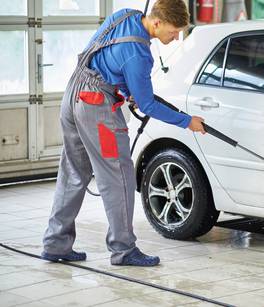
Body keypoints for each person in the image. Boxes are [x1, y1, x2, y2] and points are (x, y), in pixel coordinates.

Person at [41, 0, 204, 267]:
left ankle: (55, 243)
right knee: (119, 177)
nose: (175, 38)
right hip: (96, 108)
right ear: (157, 22)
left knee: (72, 172)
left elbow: (106, 56)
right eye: (174, 31)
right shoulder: (139, 54)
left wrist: (128, 91)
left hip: (73, 95)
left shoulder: (123, 16)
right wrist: (187, 121)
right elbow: (149, 104)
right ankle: (124, 249)